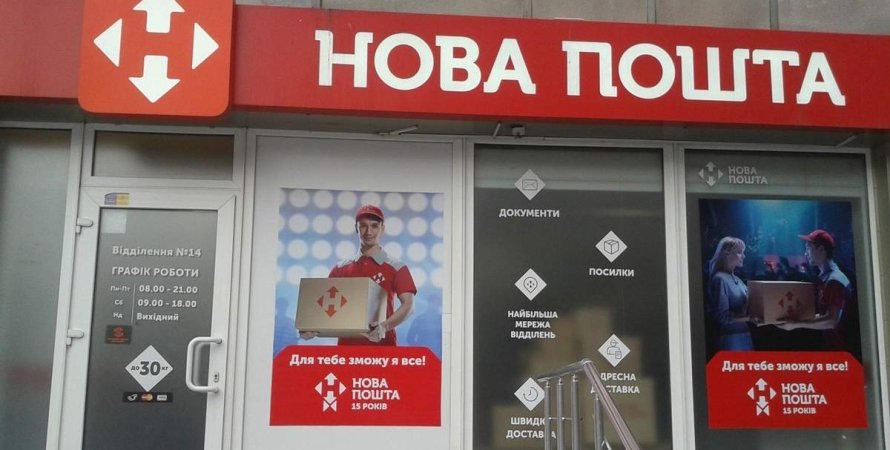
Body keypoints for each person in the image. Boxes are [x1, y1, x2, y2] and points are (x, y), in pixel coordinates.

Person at [300, 204, 416, 345]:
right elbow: (325, 309)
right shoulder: (340, 268)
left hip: (383, 350)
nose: (369, 231)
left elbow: (409, 305)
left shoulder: (397, 267)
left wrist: (384, 327)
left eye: (374, 226)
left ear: (382, 229)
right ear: (356, 228)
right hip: (346, 351)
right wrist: (312, 327)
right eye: (363, 226)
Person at [794, 229, 855, 352]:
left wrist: (796, 324)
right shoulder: (827, 278)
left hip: (840, 352)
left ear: (821, 249)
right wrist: (797, 320)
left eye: (808, 248)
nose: (805, 253)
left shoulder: (834, 281)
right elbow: (825, 315)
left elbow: (831, 320)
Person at [707, 236, 753, 351]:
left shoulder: (739, 281)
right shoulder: (719, 279)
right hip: (730, 338)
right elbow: (722, 317)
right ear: (727, 254)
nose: (744, 256)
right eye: (739, 252)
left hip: (744, 335)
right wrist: (750, 318)